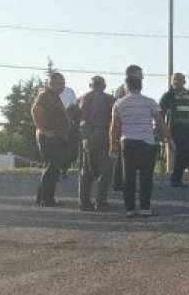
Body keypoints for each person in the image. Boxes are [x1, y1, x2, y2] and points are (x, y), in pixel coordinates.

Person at [111, 75, 172, 217]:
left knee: (129, 177)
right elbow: (160, 122)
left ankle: (130, 209)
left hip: (128, 143)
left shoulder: (119, 103)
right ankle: (145, 208)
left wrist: (112, 145)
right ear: (141, 86)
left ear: (126, 86)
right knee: (146, 177)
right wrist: (170, 140)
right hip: (147, 143)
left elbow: (114, 126)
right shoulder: (149, 102)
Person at [30, 72, 75, 206]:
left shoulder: (54, 96)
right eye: (59, 83)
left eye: (63, 83)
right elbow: (36, 111)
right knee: (53, 166)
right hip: (50, 136)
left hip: (56, 135)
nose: (62, 86)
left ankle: (41, 197)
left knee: (51, 166)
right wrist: (43, 130)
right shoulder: (46, 95)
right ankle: (47, 199)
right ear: (51, 83)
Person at [72, 76, 116, 211]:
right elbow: (116, 116)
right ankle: (101, 202)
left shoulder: (80, 98)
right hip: (103, 133)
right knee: (106, 169)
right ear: (104, 86)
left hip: (85, 134)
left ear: (90, 85)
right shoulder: (109, 99)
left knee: (86, 168)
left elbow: (70, 113)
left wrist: (78, 126)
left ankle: (84, 202)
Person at [159, 73, 189, 187]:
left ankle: (176, 179)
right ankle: (175, 180)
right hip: (175, 130)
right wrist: (160, 131)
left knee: (186, 154)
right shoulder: (167, 96)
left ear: (184, 82)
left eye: (179, 80)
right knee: (179, 154)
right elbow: (161, 114)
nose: (176, 82)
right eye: (174, 80)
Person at [112, 64, 143, 192]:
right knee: (123, 158)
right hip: (125, 128)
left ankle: (120, 183)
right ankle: (121, 184)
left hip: (126, 127)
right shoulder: (125, 89)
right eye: (140, 73)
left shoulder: (124, 88)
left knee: (123, 158)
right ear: (133, 74)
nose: (143, 76)